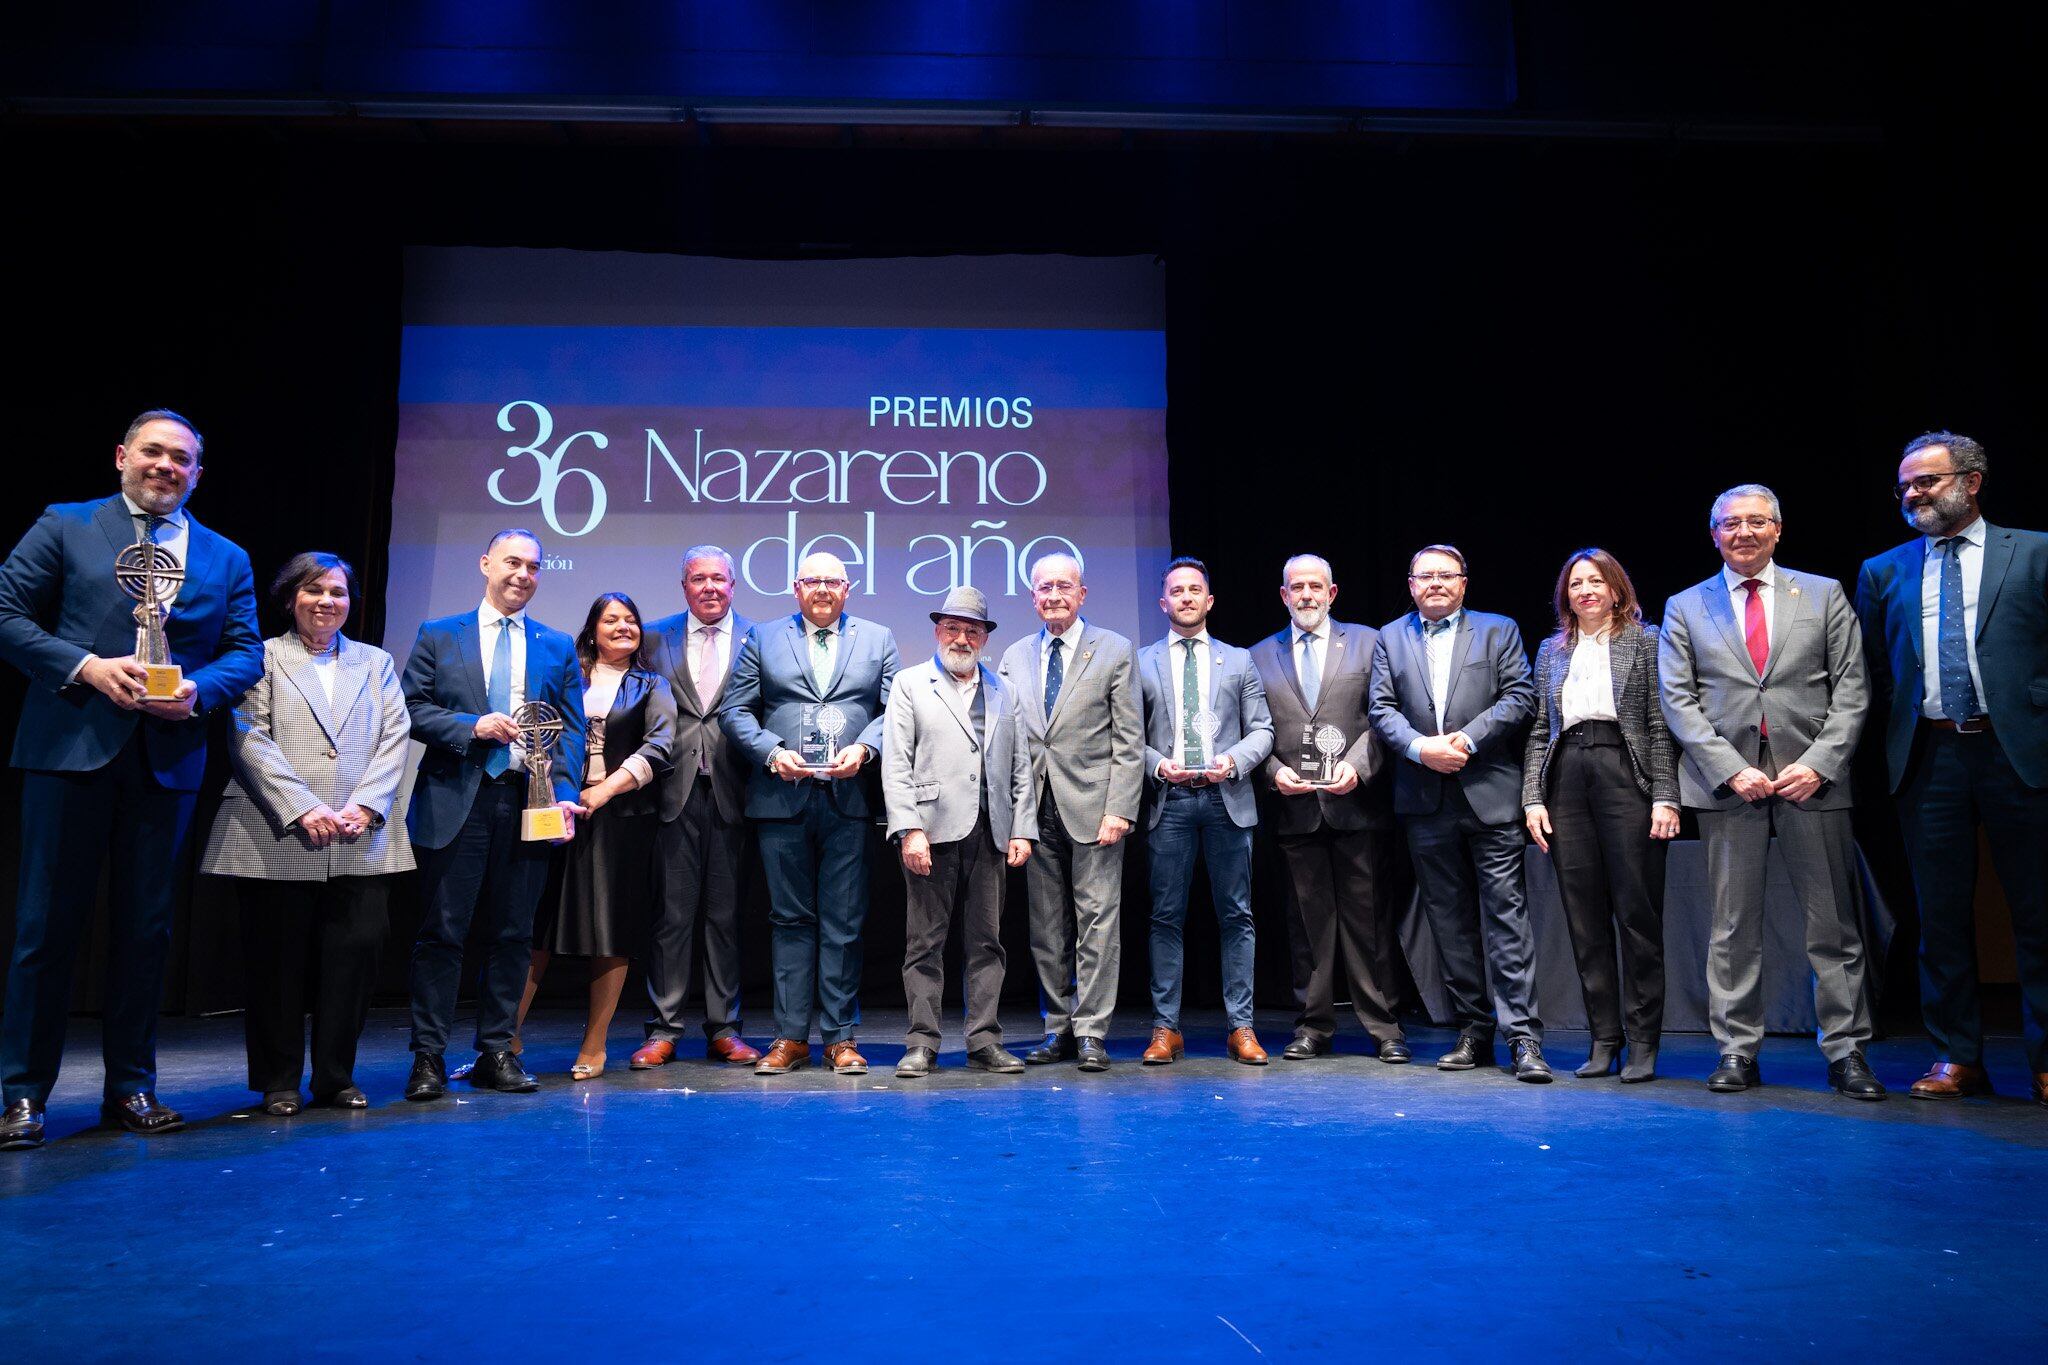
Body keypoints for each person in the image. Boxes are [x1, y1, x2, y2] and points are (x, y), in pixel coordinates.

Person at [0, 409, 262, 1152]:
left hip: (167, 759)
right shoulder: (67, 524)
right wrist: (84, 665)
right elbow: (5, 611)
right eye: (152, 451)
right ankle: (22, 1095)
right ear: (122, 456)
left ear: (198, 473)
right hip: (69, 748)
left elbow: (245, 652)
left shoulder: (225, 555)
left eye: (181, 458)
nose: (165, 466)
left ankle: (131, 1087)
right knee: (44, 929)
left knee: (146, 933)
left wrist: (200, 690)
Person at [1660, 485, 1881, 1099]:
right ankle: (1736, 1050)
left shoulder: (1823, 592)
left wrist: (1821, 763)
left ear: (1778, 529)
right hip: (1731, 787)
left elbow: (1853, 690)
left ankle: (1847, 1053)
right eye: (1732, 523)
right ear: (1714, 534)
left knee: (1833, 925)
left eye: (1758, 521)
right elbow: (1678, 700)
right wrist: (1729, 769)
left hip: (1813, 782)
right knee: (1732, 927)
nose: (1745, 532)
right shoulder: (1686, 605)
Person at [1855, 433, 2047, 1108]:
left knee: (2038, 910)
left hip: (2017, 749)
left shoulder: (2036, 551)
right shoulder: (1884, 570)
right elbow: (1880, 665)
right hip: (1930, 753)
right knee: (1939, 915)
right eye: (1906, 484)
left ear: (1971, 481)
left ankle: (2047, 1059)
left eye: (1928, 481)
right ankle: (1957, 1055)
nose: (1914, 493)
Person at [199, 553, 414, 1115]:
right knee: (277, 962)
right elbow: (248, 736)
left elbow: (396, 735)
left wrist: (366, 805)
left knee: (354, 958)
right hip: (278, 834)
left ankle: (336, 1077)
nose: (327, 602)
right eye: (314, 590)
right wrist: (303, 807)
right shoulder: (262, 657)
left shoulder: (376, 662)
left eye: (339, 592)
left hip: (359, 835)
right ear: (291, 597)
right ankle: (279, 1081)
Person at [399, 528, 587, 1102]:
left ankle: (497, 1051)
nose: (523, 575)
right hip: (457, 800)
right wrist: (469, 727)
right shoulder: (439, 634)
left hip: (530, 803)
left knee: (513, 934)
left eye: (533, 567)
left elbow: (572, 730)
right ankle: (428, 1057)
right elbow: (409, 708)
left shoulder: (555, 644)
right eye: (512, 563)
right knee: (442, 934)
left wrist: (563, 789)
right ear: (486, 564)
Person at [1369, 544, 1550, 1082]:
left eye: (1446, 575)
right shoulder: (1390, 637)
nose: (1436, 583)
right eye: (1425, 576)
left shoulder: (1499, 630)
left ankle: (1524, 1038)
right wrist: (1423, 749)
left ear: (1464, 583)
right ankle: (1474, 1030)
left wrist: (1466, 741)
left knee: (1506, 920)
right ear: (1410, 584)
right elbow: (1381, 708)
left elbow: (1520, 696)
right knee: (1449, 923)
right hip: (1424, 800)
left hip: (1489, 793)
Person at [720, 551, 897, 1076]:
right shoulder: (764, 637)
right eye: (812, 580)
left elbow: (896, 710)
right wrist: (773, 752)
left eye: (833, 582)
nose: (823, 589)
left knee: (844, 923)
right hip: (782, 798)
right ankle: (790, 1037)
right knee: (789, 920)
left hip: (850, 798)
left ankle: (841, 1039)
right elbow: (735, 710)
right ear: (796, 588)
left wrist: (865, 749)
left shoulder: (879, 638)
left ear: (849, 589)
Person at [1522, 549, 1681, 1083]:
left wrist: (1665, 795)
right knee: (1583, 917)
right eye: (1575, 584)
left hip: (1624, 771)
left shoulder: (1647, 640)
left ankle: (1642, 1042)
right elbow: (1541, 729)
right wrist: (1532, 798)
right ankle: (1603, 1039)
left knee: (1636, 914)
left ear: (1616, 588)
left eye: (1595, 581)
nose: (1585, 590)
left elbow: (1661, 725)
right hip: (1566, 774)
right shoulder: (1551, 650)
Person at [1249, 553, 1408, 1064]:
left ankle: (1384, 1028)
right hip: (1295, 809)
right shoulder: (1257, 655)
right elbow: (1251, 729)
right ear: (1283, 595)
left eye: (1316, 586)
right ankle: (1313, 1026)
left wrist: (1357, 767)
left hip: (1355, 803)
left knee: (1369, 922)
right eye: (1297, 587)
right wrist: (1275, 772)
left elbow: (1383, 716)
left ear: (1332, 593)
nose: (1307, 595)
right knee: (1306, 925)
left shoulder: (1369, 641)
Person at [516, 593, 675, 1080]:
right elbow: (534, 733)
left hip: (621, 819)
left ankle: (596, 1042)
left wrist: (603, 791)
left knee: (611, 930)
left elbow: (662, 743)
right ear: (592, 629)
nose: (623, 627)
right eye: (612, 619)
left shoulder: (652, 684)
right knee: (531, 929)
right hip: (552, 811)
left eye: (631, 619)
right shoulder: (566, 676)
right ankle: (502, 1041)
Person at [996, 552, 1143, 1073]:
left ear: (1083, 593)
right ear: (1032, 597)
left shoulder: (1115, 650)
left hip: (1095, 807)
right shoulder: (1013, 655)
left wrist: (1121, 808)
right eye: (1043, 588)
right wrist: (1013, 815)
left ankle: (1091, 1031)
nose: (1053, 595)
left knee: (1097, 923)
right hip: (1035, 810)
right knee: (1046, 927)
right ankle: (1056, 1027)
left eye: (1063, 586)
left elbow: (1130, 739)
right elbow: (1008, 742)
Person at [881, 586, 1035, 1078]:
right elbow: (896, 763)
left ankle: (983, 1040)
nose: (962, 638)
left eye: (973, 630)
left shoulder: (1002, 689)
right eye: (953, 628)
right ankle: (922, 1042)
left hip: (991, 829)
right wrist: (909, 829)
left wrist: (1023, 829)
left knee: (987, 942)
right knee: (924, 943)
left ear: (985, 638)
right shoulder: (909, 683)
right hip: (933, 829)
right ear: (937, 631)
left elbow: (1020, 767)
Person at [1135, 558, 1274, 1065]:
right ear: (1163, 602)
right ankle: (1165, 1029)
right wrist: (1158, 765)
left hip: (1226, 799)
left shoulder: (1238, 661)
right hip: (1168, 800)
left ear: (1209, 601)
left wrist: (1232, 761)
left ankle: (1242, 1027)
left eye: (1196, 590)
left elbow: (1263, 730)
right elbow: (1129, 733)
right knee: (1165, 916)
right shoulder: (1142, 661)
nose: (1187, 597)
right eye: (1177, 591)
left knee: (1237, 915)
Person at [636, 547, 759, 1067]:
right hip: (670, 790)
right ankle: (664, 1029)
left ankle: (724, 1028)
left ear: (733, 585)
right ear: (683, 585)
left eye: (718, 579)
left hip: (736, 789)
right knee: (672, 915)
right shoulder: (652, 636)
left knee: (725, 918)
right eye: (697, 579)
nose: (709, 587)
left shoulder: (761, 636)